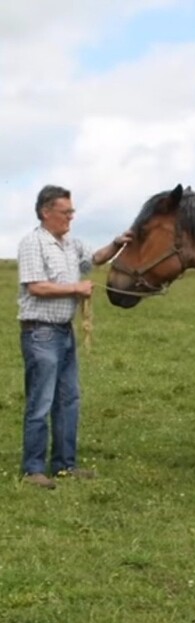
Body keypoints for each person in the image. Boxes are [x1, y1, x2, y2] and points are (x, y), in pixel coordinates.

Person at [17, 185, 132, 489]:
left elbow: (93, 258)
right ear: (46, 212)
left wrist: (116, 245)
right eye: (65, 212)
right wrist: (76, 289)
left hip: (63, 333)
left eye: (72, 211)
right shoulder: (33, 243)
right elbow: (36, 287)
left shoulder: (69, 244)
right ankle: (33, 469)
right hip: (40, 333)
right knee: (41, 402)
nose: (71, 217)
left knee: (69, 400)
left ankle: (64, 465)